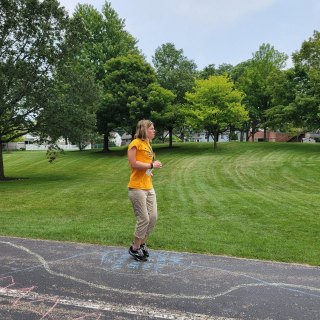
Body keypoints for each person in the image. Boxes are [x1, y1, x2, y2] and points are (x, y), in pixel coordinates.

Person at [127, 120, 163, 261]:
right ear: (144, 129)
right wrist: (151, 164)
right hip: (137, 187)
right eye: (152, 128)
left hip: (148, 186)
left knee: (153, 217)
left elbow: (145, 166)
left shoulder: (148, 144)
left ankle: (141, 244)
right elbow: (134, 163)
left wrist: (150, 169)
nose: (154, 131)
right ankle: (135, 248)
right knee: (144, 219)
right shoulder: (135, 143)